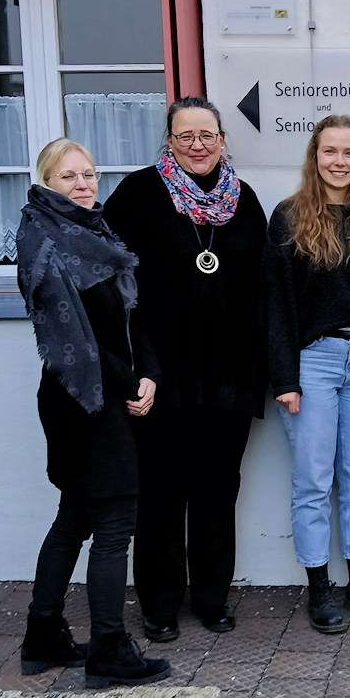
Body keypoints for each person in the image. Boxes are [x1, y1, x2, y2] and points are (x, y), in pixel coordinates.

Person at [104, 97, 268, 642]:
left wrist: (262, 376)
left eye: (207, 135)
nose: (197, 145)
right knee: (162, 495)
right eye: (184, 136)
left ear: (223, 139)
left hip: (229, 381)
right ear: (169, 141)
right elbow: (115, 293)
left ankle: (212, 599)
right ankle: (159, 604)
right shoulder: (137, 196)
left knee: (218, 493)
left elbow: (261, 293)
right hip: (161, 379)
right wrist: (133, 370)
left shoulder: (243, 202)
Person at [16, 138, 170, 688]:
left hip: (107, 394)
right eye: (69, 177)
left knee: (75, 517)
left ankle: (43, 635)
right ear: (46, 183)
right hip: (82, 401)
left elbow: (130, 318)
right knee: (111, 525)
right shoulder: (45, 244)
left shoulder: (94, 233)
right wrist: (133, 382)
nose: (83, 185)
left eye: (88, 175)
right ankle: (108, 647)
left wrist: (148, 371)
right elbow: (76, 339)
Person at [266, 116, 350, 633]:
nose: (340, 161)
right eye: (330, 151)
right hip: (313, 362)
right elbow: (276, 303)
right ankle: (320, 588)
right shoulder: (289, 217)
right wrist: (284, 379)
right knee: (314, 480)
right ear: (315, 157)